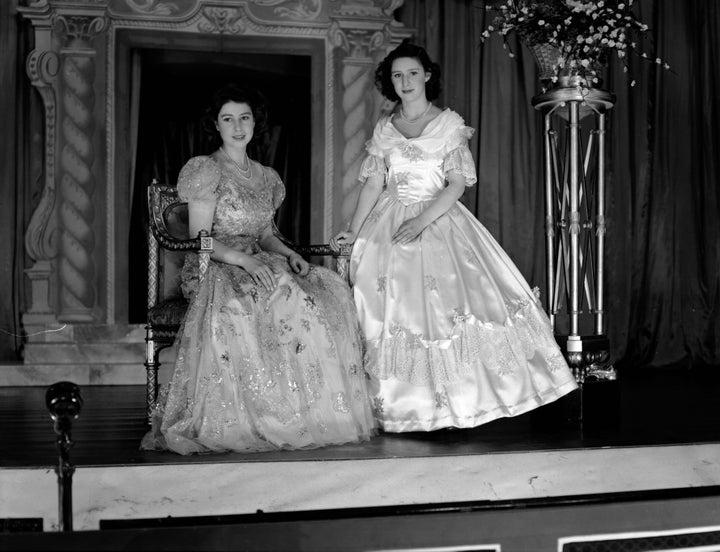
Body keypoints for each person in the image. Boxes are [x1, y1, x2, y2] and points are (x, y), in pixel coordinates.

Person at [330, 40, 578, 433]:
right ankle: (404, 409)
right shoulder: (384, 129)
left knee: (447, 312)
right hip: (388, 222)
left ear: (427, 75)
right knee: (393, 311)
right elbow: (373, 183)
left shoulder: (448, 124)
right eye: (397, 75)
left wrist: (422, 221)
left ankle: (459, 406)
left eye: (412, 73)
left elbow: (457, 185)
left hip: (438, 217)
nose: (405, 81)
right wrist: (354, 230)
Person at [141, 83, 375, 454]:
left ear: (255, 123)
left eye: (244, 118)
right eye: (228, 119)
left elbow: (265, 234)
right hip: (214, 266)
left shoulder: (266, 175)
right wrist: (244, 260)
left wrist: (290, 253)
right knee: (268, 295)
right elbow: (201, 239)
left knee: (324, 289)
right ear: (215, 125)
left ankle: (304, 411)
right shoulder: (205, 170)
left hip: (259, 258)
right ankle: (257, 416)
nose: (238, 126)